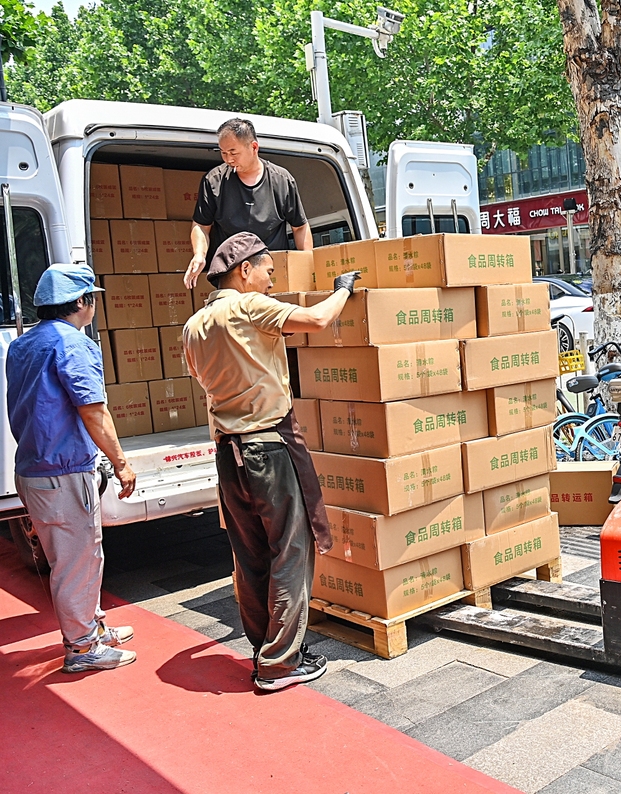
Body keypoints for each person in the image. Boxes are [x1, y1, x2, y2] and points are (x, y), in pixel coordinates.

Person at [182, 232, 360, 691]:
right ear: (244, 270)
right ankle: (281, 663)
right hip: (267, 448)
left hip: (228, 452)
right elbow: (316, 320)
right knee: (290, 550)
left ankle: (265, 649)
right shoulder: (247, 307)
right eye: (267, 272)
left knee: (251, 555)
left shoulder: (195, 325)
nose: (270, 281)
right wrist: (342, 288)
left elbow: (201, 379)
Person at [6, 264, 138, 673]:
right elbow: (93, 412)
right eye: (92, 297)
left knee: (77, 556)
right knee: (76, 560)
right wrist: (121, 463)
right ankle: (82, 648)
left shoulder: (22, 345)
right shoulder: (73, 344)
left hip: (34, 467)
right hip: (61, 471)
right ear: (82, 302)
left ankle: (91, 628)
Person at [183, 118, 313, 289]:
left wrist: (309, 266)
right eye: (223, 152)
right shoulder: (214, 181)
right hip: (231, 278)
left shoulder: (281, 180)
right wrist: (199, 255)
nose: (228, 159)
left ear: (253, 147)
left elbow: (300, 227)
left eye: (233, 152)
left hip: (273, 276)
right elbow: (201, 225)